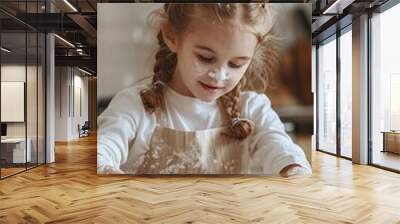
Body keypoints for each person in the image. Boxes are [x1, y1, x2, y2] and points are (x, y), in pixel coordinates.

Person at [97, 3, 312, 176]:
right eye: (206, 58)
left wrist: (294, 172)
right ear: (171, 36)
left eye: (236, 64)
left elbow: (284, 153)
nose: (219, 75)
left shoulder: (253, 109)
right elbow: (100, 154)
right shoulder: (134, 106)